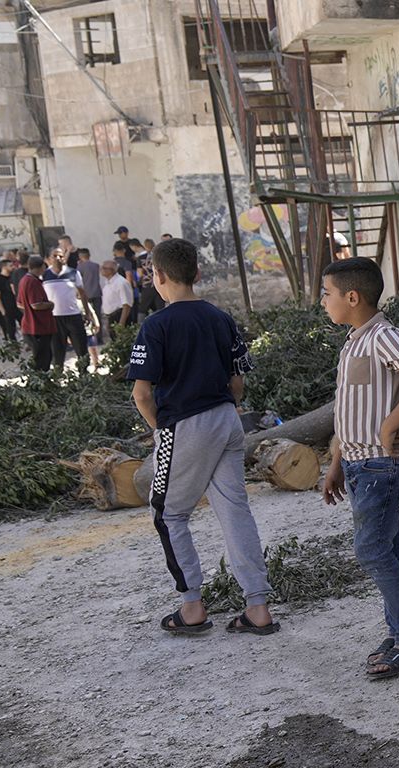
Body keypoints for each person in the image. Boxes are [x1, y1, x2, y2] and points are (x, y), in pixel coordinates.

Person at [126, 238, 277, 636]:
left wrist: (163, 430)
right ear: (196, 273)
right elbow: (238, 382)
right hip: (228, 420)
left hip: (184, 425)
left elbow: (141, 394)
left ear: (156, 275)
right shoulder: (219, 316)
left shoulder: (155, 325)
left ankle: (191, 606)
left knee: (168, 513)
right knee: (234, 510)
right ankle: (258, 607)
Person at [315, 257, 399, 679]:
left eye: (327, 294)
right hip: (358, 463)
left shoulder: (383, 336)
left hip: (383, 464)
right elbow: (347, 410)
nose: (323, 302)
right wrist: (336, 461)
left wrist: (391, 423)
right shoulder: (354, 339)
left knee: (371, 550)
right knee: (385, 547)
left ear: (352, 297)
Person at [42, 250, 91, 374]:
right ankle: (59, 378)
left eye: (61, 256)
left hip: (73, 316)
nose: (58, 258)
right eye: (55, 255)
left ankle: (84, 376)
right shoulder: (44, 275)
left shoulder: (74, 273)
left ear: (65, 258)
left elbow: (82, 294)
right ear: (49, 259)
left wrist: (88, 313)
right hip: (54, 318)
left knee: (81, 349)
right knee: (57, 351)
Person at [15, 254, 55, 372]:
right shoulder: (33, 282)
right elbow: (36, 305)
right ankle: (41, 385)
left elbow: (19, 304)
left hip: (30, 325)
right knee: (43, 360)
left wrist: (27, 313)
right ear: (42, 267)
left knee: (39, 358)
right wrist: (50, 304)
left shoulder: (24, 280)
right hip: (38, 327)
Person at [99, 258, 134, 334]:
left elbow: (127, 304)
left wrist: (121, 323)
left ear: (111, 270)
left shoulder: (121, 283)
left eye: (104, 268)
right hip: (110, 317)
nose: (101, 269)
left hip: (119, 316)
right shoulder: (107, 283)